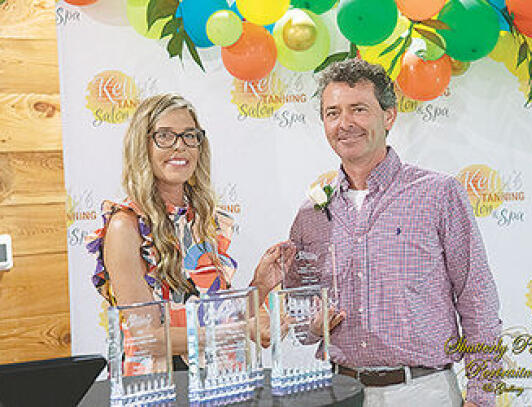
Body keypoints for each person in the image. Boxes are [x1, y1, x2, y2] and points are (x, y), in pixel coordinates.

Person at [284, 59, 501, 407]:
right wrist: (311, 326)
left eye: (359, 109)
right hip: (339, 390)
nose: (345, 124)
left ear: (389, 116)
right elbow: (296, 313)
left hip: (423, 391)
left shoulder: (438, 193)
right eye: (332, 112)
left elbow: (478, 301)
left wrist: (483, 395)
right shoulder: (312, 214)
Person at [86, 93, 293, 369]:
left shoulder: (203, 217)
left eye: (189, 136)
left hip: (215, 382)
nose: (180, 146)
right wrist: (241, 331)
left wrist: (262, 284)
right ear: (142, 145)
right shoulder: (127, 224)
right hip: (159, 386)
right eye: (165, 136)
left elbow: (216, 319)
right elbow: (148, 337)